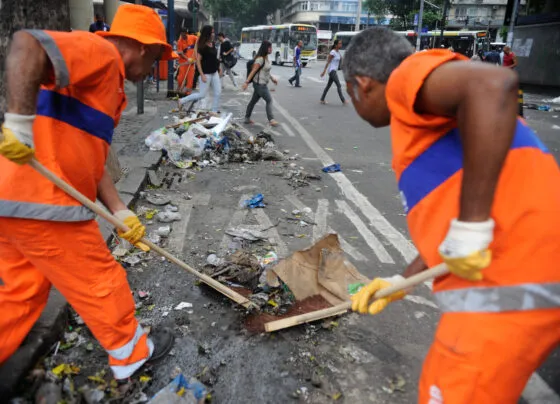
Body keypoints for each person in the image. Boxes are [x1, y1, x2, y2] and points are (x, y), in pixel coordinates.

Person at [343, 27, 560, 403]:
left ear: (362, 85)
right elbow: (451, 231)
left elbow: (493, 83)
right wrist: (400, 282)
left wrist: (472, 225)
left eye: (350, 95)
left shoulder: (404, 80)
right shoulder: (435, 128)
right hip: (524, 283)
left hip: (505, 288)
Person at [0, 4, 178, 384]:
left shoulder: (109, 86)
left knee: (21, 293)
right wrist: (18, 123)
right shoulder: (100, 53)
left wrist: (120, 212)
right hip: (45, 201)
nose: (153, 72)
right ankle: (131, 352)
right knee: (101, 279)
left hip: (15, 202)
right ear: (145, 48)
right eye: (158, 59)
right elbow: (27, 42)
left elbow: (92, 163)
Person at [178, 25, 222, 112]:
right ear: (208, 33)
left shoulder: (212, 44)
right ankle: (182, 101)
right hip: (205, 73)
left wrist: (219, 68)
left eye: (213, 32)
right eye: (212, 32)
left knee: (218, 92)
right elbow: (198, 61)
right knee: (202, 94)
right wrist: (202, 75)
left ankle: (214, 112)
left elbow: (214, 58)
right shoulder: (202, 46)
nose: (213, 34)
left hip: (214, 73)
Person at [242, 41, 279, 127]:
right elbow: (253, 71)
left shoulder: (266, 58)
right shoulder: (260, 59)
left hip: (262, 84)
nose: (271, 49)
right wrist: (246, 82)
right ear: (265, 48)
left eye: (271, 47)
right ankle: (271, 119)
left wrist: (272, 78)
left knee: (253, 101)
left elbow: (266, 71)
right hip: (260, 84)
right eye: (269, 47)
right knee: (269, 100)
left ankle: (247, 118)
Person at [320, 39, 347, 105]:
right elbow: (328, 61)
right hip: (332, 71)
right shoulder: (333, 52)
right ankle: (343, 100)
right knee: (339, 85)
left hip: (334, 70)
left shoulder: (337, 52)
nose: (341, 45)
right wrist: (324, 71)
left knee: (328, 86)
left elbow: (341, 59)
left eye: (341, 43)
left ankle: (322, 99)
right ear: (336, 45)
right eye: (339, 43)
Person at [176, 29, 197, 94]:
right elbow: (180, 53)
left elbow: (199, 41)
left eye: (183, 34)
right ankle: (179, 89)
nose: (182, 35)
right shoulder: (179, 42)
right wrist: (187, 58)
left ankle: (187, 93)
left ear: (186, 33)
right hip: (183, 63)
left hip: (191, 63)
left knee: (190, 79)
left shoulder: (192, 37)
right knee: (180, 79)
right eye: (181, 34)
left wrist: (199, 36)